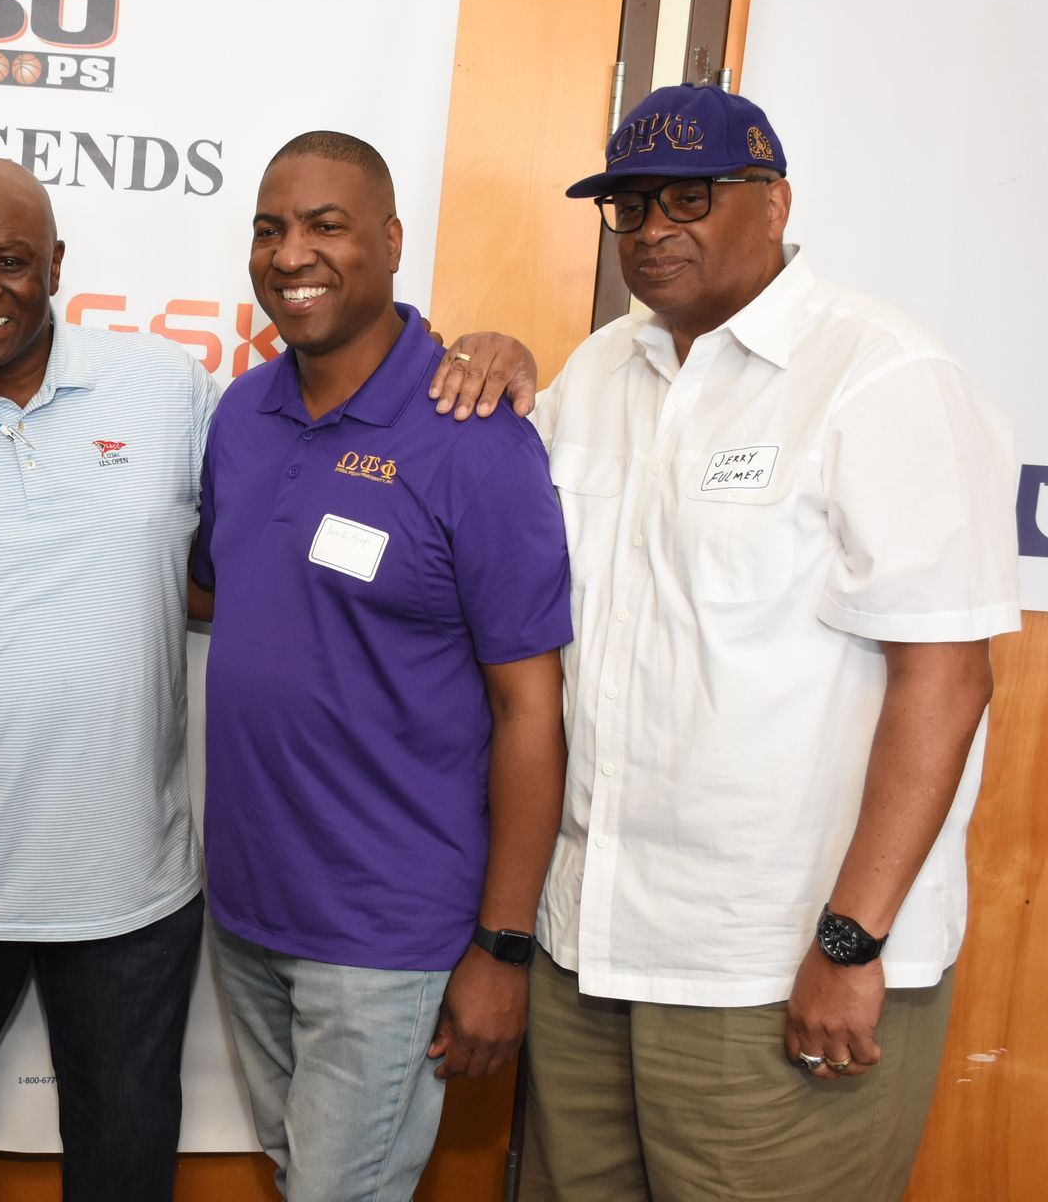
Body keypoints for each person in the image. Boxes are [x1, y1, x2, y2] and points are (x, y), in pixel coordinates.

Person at [436, 83, 1021, 1200]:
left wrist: (851, 944)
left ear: (774, 200)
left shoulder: (883, 376)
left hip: (774, 969)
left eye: (690, 197)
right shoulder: (602, 371)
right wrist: (496, 353)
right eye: (631, 206)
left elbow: (945, 680)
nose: (655, 230)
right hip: (588, 958)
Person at [189, 131, 574, 1200]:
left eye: (326, 225)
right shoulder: (241, 415)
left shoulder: (473, 434)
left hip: (391, 930)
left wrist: (502, 943)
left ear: (393, 240)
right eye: (270, 228)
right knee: (298, 1175)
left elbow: (530, 709)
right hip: (251, 914)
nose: (291, 252)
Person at [0, 158, 213, 1201]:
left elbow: (311, 429)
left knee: (125, 1175)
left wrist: (447, 346)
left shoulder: (168, 390)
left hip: (130, 887)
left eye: (10, 260)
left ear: (57, 264)